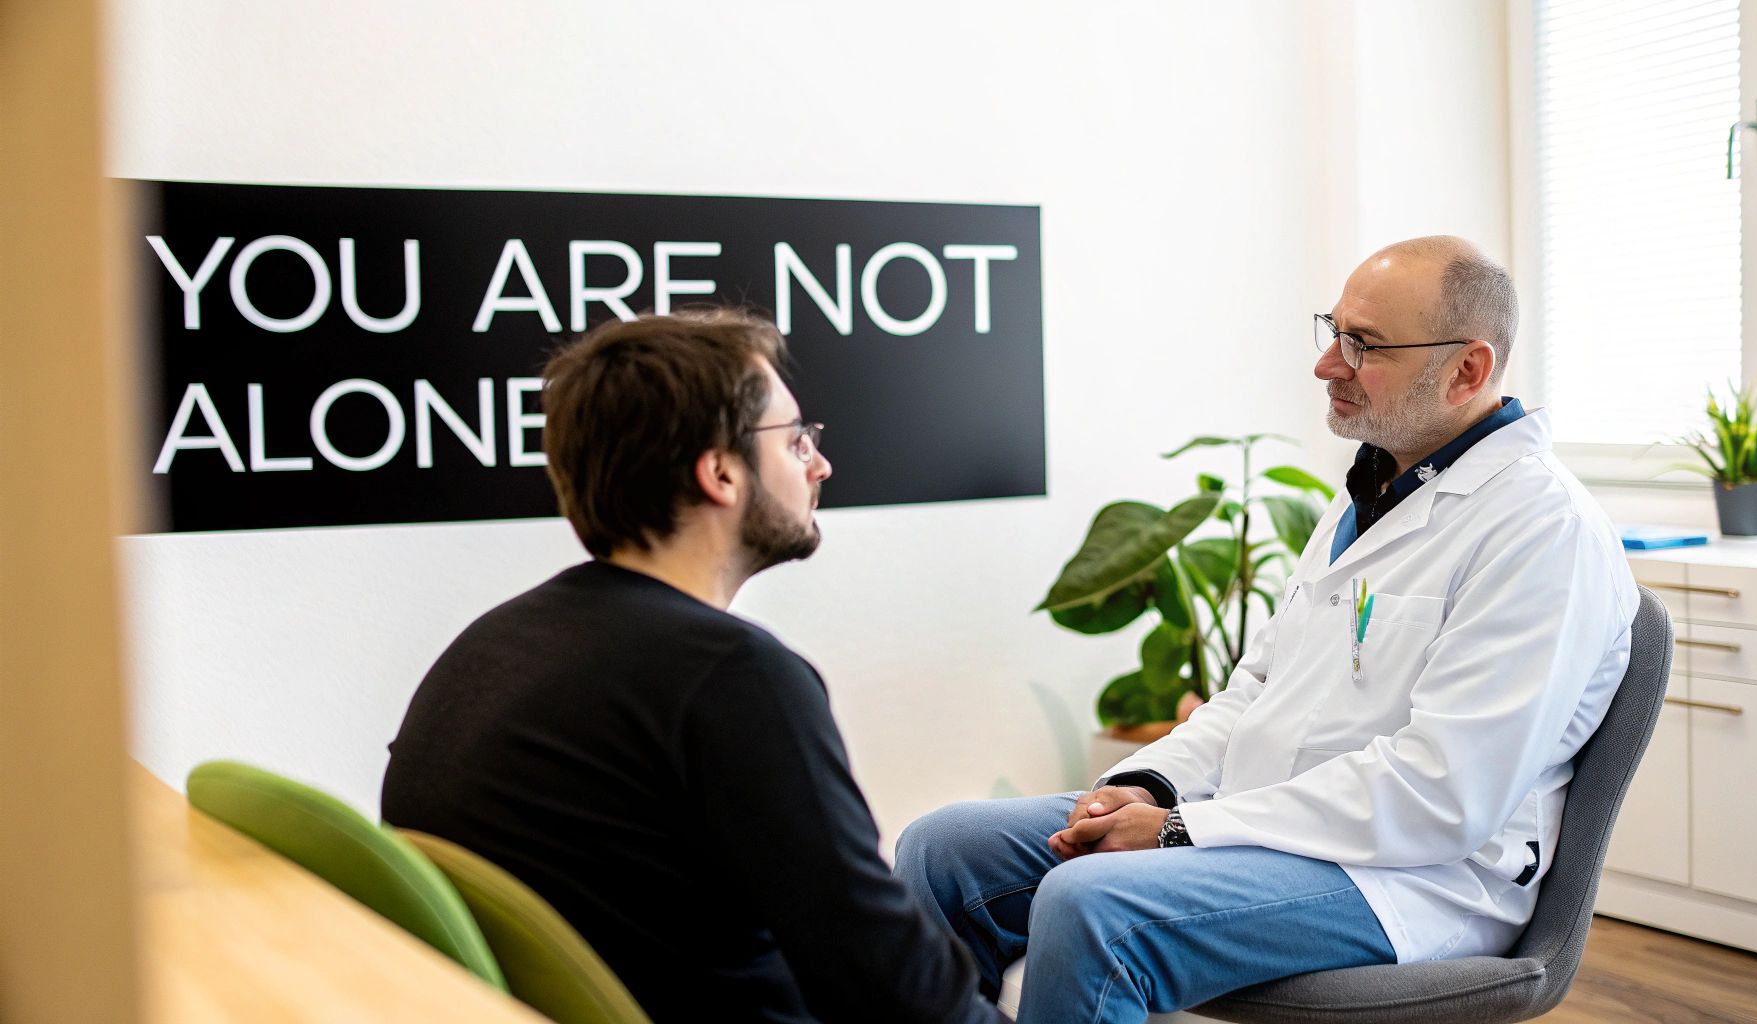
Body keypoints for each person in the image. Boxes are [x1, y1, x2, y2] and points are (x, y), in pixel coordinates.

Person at [894, 236, 1638, 1023]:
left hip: (1413, 877)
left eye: (1365, 345)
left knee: (1092, 904)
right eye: (1333, 330)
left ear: (1468, 370)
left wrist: (1180, 831)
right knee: (943, 852)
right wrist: (1146, 786)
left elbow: (1443, 795)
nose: (1328, 364)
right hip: (1267, 823)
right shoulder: (1370, 496)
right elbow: (1256, 690)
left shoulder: (1543, 531)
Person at [381, 309, 1001, 1023]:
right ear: (720, 473)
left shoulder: (492, 647)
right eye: (796, 440)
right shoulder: (731, 678)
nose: (819, 464)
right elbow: (895, 989)